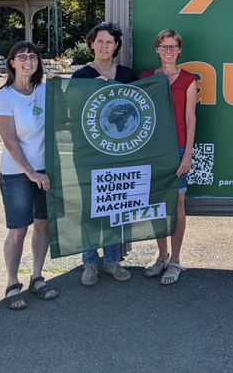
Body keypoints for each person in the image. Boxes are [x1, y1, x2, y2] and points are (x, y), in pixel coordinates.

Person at [0, 41, 59, 310]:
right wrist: (30, 172)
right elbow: (10, 141)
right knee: (18, 230)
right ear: (12, 63)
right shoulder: (4, 98)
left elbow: (72, 99)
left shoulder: (44, 91)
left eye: (33, 56)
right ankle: (12, 283)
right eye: (22, 57)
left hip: (45, 171)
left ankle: (37, 277)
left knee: (43, 224)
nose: (28, 61)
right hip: (17, 173)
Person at [71, 21, 137, 286]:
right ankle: (89, 261)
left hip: (118, 153)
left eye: (109, 42)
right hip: (87, 152)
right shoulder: (81, 77)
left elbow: (137, 111)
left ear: (116, 46)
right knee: (89, 207)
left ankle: (111, 261)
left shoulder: (127, 76)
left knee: (115, 205)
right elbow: (72, 112)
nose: (104, 46)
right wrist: (91, 91)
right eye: (100, 41)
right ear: (91, 44)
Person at [140, 29, 198, 285]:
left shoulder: (188, 80)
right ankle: (161, 256)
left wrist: (187, 153)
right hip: (152, 151)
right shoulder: (146, 78)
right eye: (164, 47)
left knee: (177, 205)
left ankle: (175, 260)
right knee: (156, 205)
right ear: (157, 49)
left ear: (180, 50)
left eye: (173, 47)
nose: (168, 51)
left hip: (177, 149)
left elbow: (190, 118)